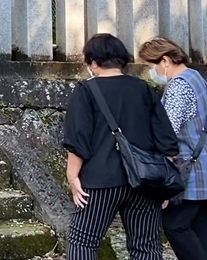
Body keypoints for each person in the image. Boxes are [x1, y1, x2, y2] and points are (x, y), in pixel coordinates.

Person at [63, 33, 180, 260]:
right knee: (146, 247)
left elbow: (78, 139)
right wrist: (164, 183)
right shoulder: (144, 89)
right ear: (122, 61)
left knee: (83, 240)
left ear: (93, 62)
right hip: (145, 183)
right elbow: (167, 141)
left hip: (100, 181)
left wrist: (72, 176)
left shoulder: (86, 90)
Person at [138, 37, 207, 260]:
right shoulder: (196, 77)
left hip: (192, 171)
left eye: (151, 65)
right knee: (202, 231)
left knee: (175, 225)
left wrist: (163, 184)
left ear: (165, 60)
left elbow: (167, 136)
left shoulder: (178, 87)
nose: (151, 71)